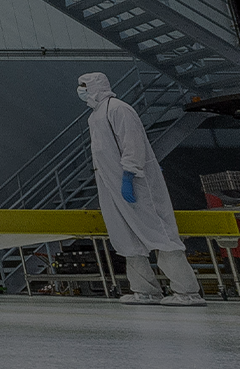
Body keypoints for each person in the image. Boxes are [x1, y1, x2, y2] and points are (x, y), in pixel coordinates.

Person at [77, 72, 205, 305]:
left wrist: (129, 173)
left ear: (97, 86)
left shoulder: (117, 109)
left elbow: (132, 144)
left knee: (158, 233)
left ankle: (187, 292)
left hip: (135, 182)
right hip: (111, 186)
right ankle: (145, 290)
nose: (81, 90)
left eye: (84, 85)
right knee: (126, 238)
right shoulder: (95, 116)